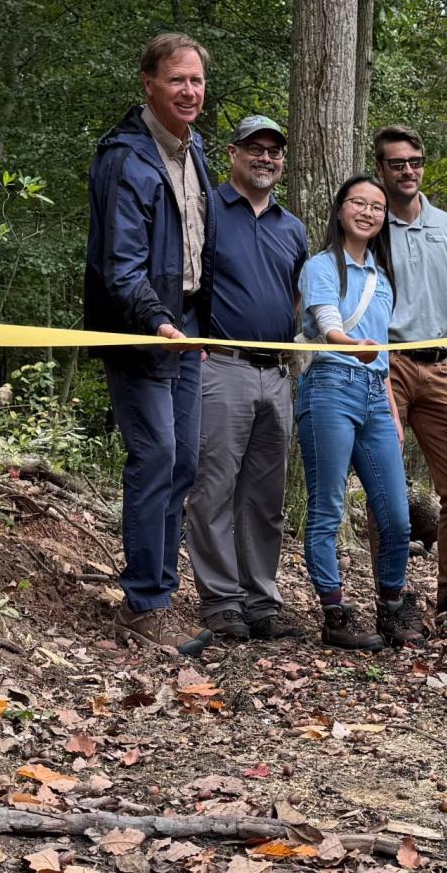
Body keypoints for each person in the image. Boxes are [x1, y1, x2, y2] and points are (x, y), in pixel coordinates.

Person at [84, 32, 216, 656]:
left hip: (186, 327)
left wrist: (201, 324)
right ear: (149, 83)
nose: (189, 91)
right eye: (177, 80)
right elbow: (121, 266)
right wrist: (157, 321)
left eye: (196, 80)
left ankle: (162, 590)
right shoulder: (126, 158)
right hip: (140, 329)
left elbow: (200, 252)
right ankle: (145, 604)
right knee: (157, 457)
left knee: (184, 461)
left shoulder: (198, 154)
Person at [185, 115, 309, 643]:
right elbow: (184, 280)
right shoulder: (208, 208)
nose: (265, 158)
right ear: (233, 153)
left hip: (276, 374)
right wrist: (195, 345)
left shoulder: (292, 226)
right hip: (222, 367)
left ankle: (262, 601)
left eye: (274, 151)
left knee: (264, 496)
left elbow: (298, 296)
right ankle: (221, 600)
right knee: (213, 488)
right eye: (255, 149)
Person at [372, 124, 447, 632]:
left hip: (440, 365)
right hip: (387, 364)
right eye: (397, 163)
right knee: (387, 487)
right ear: (380, 168)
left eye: (415, 161)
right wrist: (374, 368)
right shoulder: (369, 225)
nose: (407, 171)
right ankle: (391, 599)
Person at [295, 175, 425, 650]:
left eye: (377, 206)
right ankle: (335, 612)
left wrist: (391, 409)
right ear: (340, 208)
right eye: (359, 203)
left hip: (374, 393)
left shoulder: (383, 278)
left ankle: (391, 605)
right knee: (327, 506)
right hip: (329, 386)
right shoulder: (321, 266)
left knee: (395, 513)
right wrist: (355, 348)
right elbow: (328, 325)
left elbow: (385, 355)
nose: (368, 212)